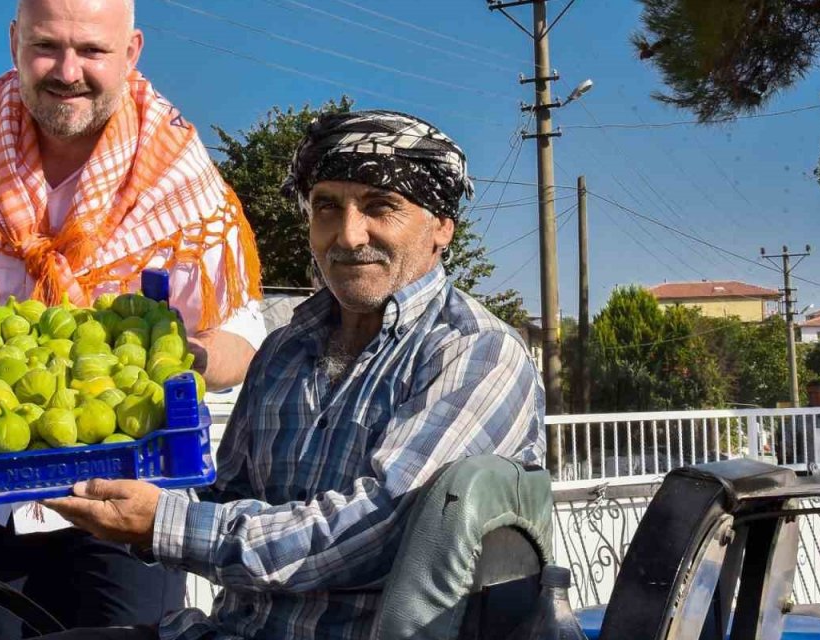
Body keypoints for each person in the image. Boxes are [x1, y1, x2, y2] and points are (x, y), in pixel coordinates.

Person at [40, 110, 546, 640]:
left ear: (442, 226)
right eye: (327, 207)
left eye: (381, 207)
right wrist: (103, 477)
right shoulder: (283, 351)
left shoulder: (476, 353)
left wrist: (164, 525)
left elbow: (376, 531)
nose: (349, 236)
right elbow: (223, 496)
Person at [0, 1, 267, 637]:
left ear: (131, 53)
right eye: (47, 46)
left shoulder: (177, 171)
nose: (67, 70)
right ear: (15, 41)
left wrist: (194, 355)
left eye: (92, 51)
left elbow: (241, 331)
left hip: (126, 497)